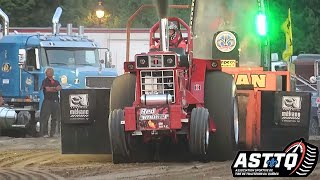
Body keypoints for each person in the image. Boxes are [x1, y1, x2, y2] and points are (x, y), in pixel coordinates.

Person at [40, 67, 62, 138]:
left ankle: (54, 133)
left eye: (51, 72)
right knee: (45, 118)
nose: (50, 73)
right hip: (47, 101)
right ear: (46, 73)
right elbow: (47, 89)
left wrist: (53, 89)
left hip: (55, 101)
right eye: (49, 72)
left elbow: (59, 88)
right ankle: (45, 133)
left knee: (55, 118)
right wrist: (55, 89)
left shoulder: (56, 81)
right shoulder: (45, 81)